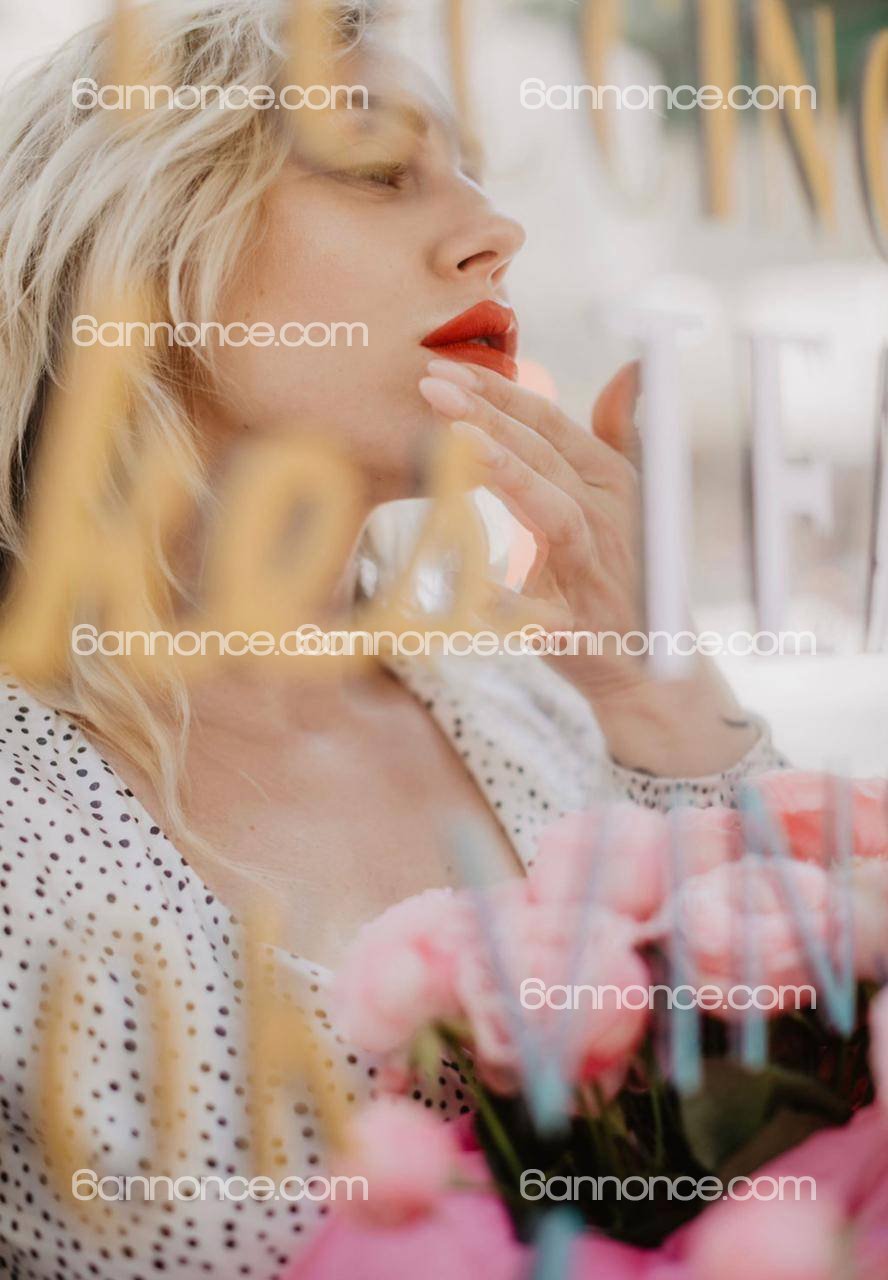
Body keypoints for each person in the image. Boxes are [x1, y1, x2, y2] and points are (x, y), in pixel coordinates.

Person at [0, 2, 784, 1275]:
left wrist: (663, 704)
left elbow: (813, 1111)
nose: (495, 230)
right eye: (377, 170)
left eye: (472, 170)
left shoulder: (545, 695)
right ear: (141, 252)